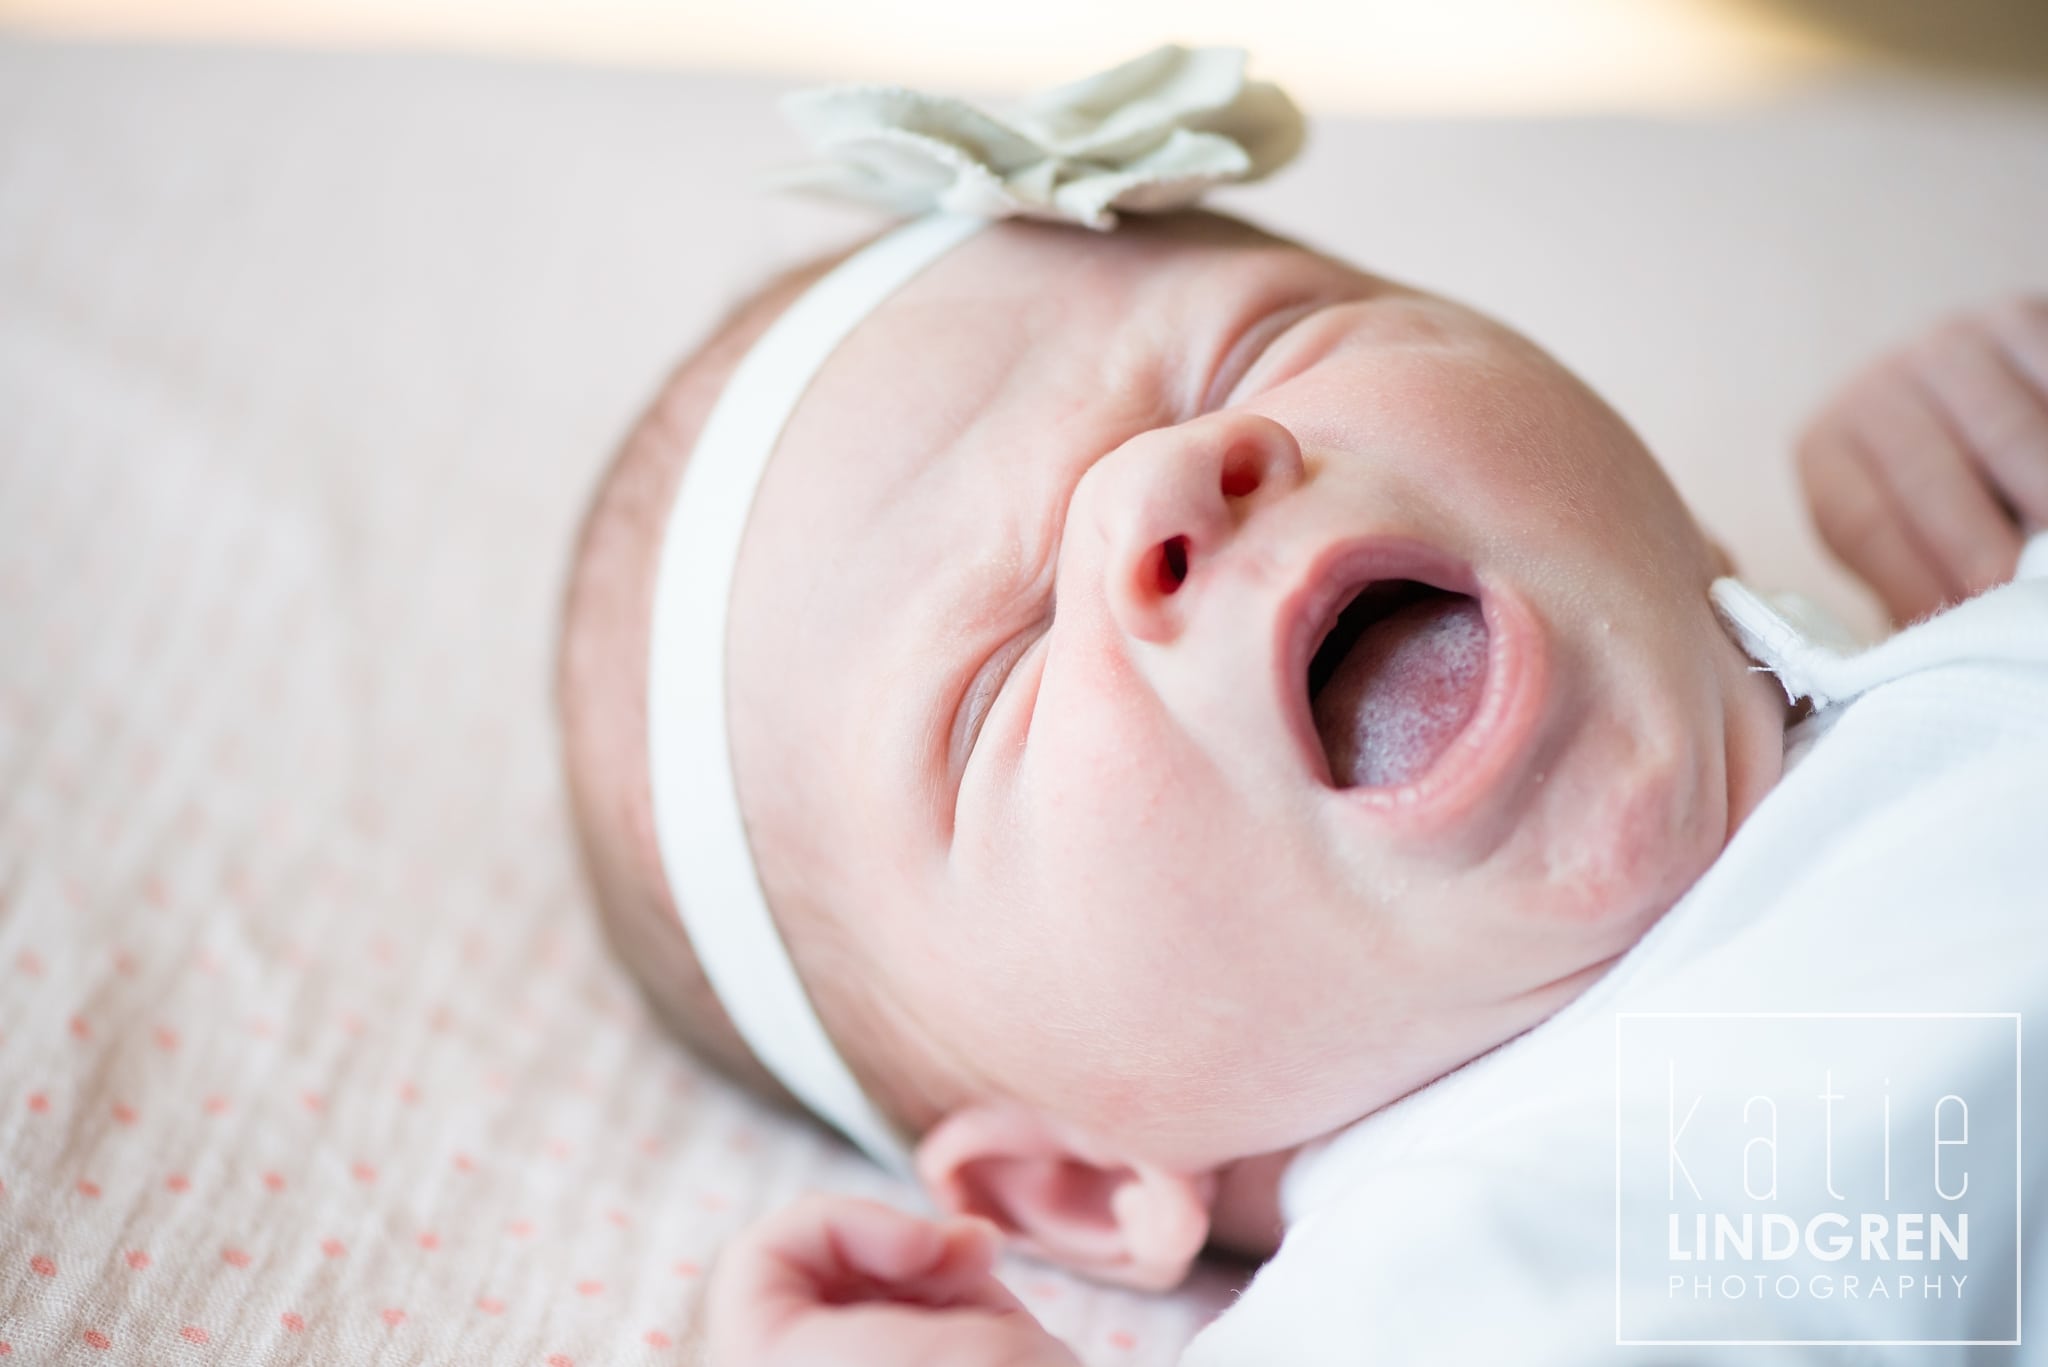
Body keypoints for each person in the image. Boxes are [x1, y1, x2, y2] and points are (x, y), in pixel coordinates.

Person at [550, 47, 2048, 1363]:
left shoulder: (1988, 621)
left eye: (1249, 354)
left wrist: (1992, 434)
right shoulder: (1435, 1281)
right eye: (999, 677)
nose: (1165, 478)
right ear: (1082, 1181)